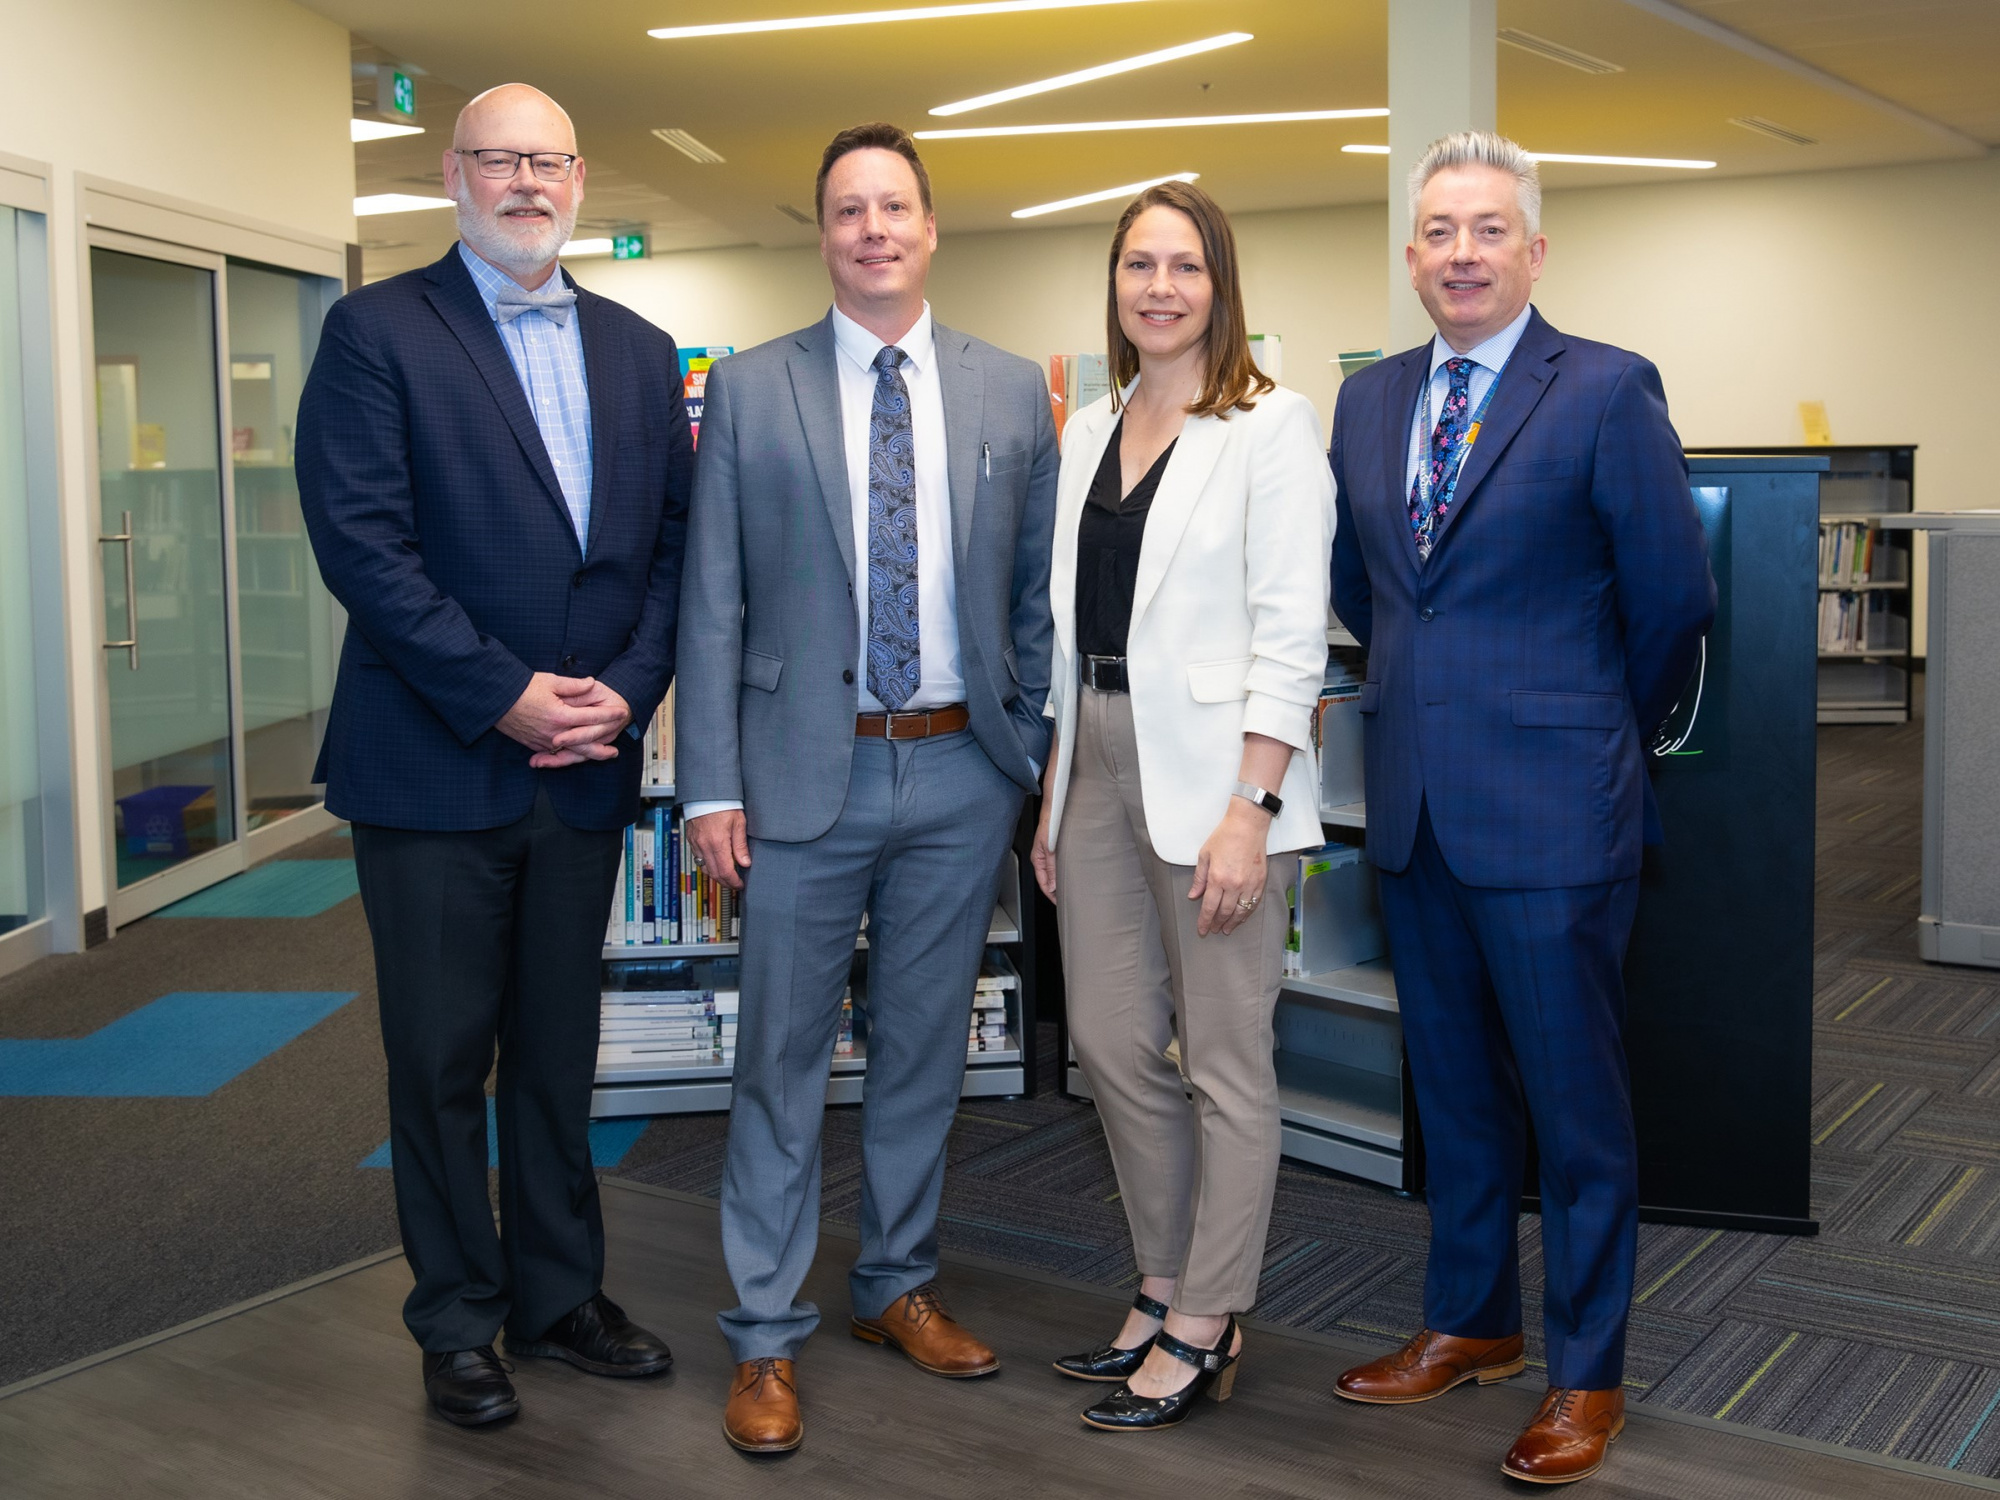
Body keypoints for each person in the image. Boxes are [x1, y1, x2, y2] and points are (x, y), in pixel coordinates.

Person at [296, 84, 690, 1428]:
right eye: (499, 159)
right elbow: (365, 549)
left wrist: (622, 696)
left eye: (550, 160)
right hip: (433, 771)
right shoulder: (376, 335)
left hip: (583, 768)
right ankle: (457, 1318)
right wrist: (508, 695)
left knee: (556, 1056)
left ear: (580, 178)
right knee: (439, 1058)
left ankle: (558, 1297)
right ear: (451, 173)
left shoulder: (644, 353)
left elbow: (671, 557)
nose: (527, 181)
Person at [1327, 131, 1714, 1485]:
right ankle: (1471, 1323)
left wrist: (1592, 733)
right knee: (1456, 1095)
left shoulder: (1605, 390)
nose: (1462, 253)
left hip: (1556, 813)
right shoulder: (1369, 402)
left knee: (1576, 1110)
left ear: (1534, 250)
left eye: (1488, 230)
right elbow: (1361, 590)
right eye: (1438, 231)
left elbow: (1673, 602)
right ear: (1413, 254)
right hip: (1418, 812)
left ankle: (1585, 1374)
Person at [675, 121, 1058, 1454]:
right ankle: (765, 1337)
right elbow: (711, 598)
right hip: (796, 778)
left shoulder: (1012, 393)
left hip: (961, 771)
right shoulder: (752, 386)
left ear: (932, 225)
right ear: (823, 233)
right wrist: (707, 785)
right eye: (849, 210)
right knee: (779, 1061)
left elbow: (1029, 599)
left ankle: (897, 1284)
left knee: (918, 1050)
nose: (875, 229)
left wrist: (1033, 756)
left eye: (896, 206)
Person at [1029, 181, 1334, 1433]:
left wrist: (1251, 806)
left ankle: (1206, 1319)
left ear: (1221, 285)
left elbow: (1288, 631)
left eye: (1185, 266)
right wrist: (1052, 800)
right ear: (1113, 283)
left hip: (1216, 774)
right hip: (1092, 758)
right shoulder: (1086, 426)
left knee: (1223, 1058)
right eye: (1137, 264)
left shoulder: (1268, 424)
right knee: (1106, 1043)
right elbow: (1067, 637)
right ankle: (1157, 1284)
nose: (1159, 287)